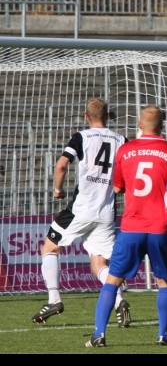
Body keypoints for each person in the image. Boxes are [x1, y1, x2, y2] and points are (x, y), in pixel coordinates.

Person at [86, 105, 167, 347]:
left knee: (113, 279)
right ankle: (163, 335)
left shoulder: (125, 150)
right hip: (161, 227)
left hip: (132, 226)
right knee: (164, 281)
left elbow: (118, 187)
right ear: (162, 126)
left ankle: (99, 334)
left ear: (139, 125)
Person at [31, 98, 131, 328]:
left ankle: (54, 299)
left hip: (81, 209)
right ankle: (119, 300)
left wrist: (58, 190)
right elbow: (126, 174)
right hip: (106, 212)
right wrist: (117, 188)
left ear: (87, 117)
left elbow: (61, 165)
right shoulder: (121, 140)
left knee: (49, 247)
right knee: (98, 264)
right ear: (108, 117)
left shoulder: (82, 137)